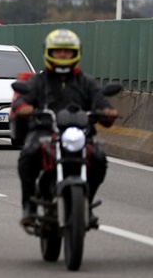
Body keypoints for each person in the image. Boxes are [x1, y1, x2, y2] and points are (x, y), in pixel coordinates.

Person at [12, 29, 117, 227]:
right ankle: (29, 206)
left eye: (67, 51)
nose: (62, 55)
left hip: (80, 134)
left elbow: (101, 102)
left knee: (99, 158)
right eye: (58, 51)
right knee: (29, 153)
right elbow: (22, 100)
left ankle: (86, 203)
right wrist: (24, 107)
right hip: (45, 131)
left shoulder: (86, 82)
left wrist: (107, 111)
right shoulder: (39, 80)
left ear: (76, 53)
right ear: (49, 52)